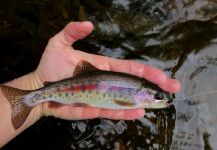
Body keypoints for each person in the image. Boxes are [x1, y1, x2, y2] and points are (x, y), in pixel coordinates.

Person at [0, 21, 181, 147]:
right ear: (144, 93)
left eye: (160, 97)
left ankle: (28, 99)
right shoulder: (132, 99)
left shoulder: (135, 99)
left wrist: (38, 84)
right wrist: (38, 82)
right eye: (158, 96)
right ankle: (27, 99)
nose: (161, 99)